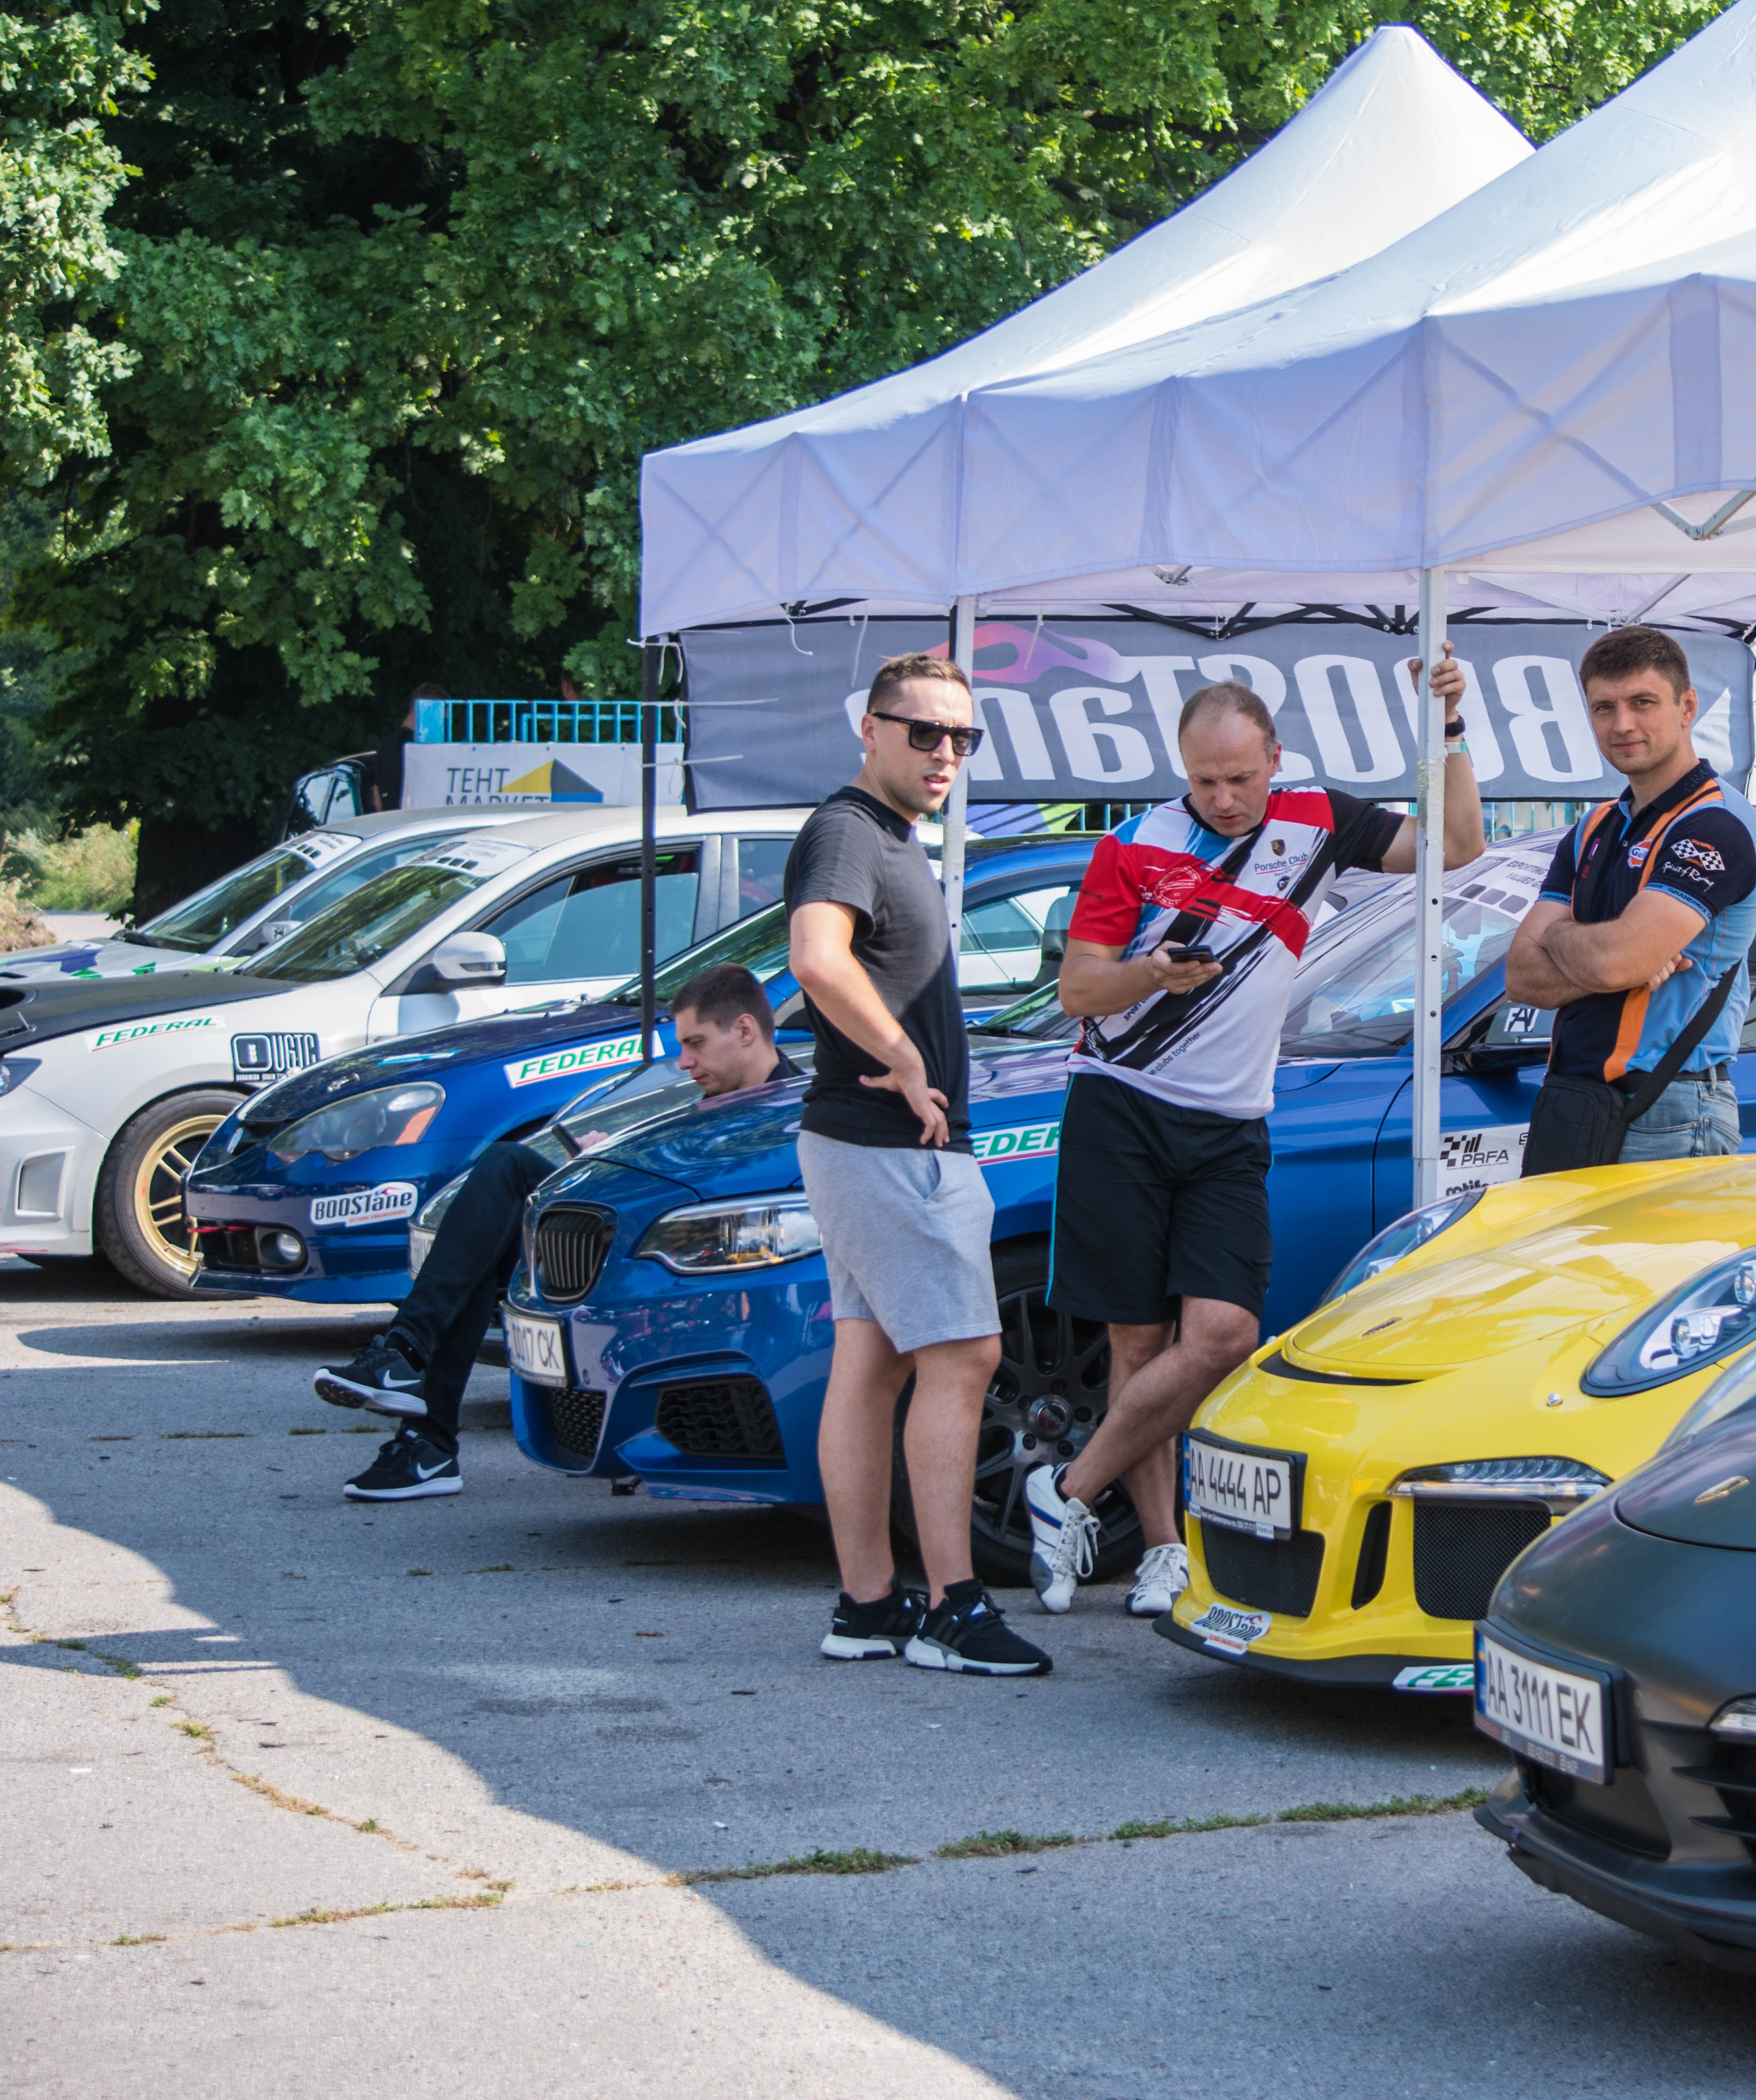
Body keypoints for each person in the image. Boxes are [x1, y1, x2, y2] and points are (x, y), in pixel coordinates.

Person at [1022, 650, 1479, 1617]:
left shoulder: (1319, 819)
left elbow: (1457, 845)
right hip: (1122, 1103)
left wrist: (1447, 725)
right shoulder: (1133, 847)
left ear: (1276, 758)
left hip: (1232, 1121)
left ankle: (1066, 1489)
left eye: (1241, 777)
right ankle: (1161, 1552)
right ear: (1182, 772)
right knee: (1137, 1341)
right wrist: (1151, 973)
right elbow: (1079, 989)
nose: (1225, 800)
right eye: (1205, 782)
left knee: (1224, 1333)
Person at [784, 650, 1052, 1675]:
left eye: (962, 738)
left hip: (870, 1144)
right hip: (888, 1143)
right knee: (964, 1357)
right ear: (872, 729)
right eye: (924, 732)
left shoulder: (886, 835)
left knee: (874, 1364)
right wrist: (900, 1054)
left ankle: (866, 1604)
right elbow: (817, 956)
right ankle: (952, 1608)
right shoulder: (849, 830)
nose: (945, 753)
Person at [315, 964, 793, 1501]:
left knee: (487, 1225)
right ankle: (409, 1373)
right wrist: (596, 1165)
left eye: (696, 1044)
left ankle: (421, 1418)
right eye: (682, 1046)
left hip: (661, 1261)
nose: (684, 1062)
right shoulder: (700, 1103)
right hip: (604, 1240)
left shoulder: (787, 1119)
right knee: (502, 1177)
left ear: (745, 1031)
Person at [1503, 626, 1756, 1168]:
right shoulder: (1594, 827)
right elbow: (1522, 977)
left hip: (1668, 1105)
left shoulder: (1714, 825)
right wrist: (1617, 960)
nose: (1622, 724)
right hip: (1577, 1100)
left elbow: (1616, 961)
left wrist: (1569, 941)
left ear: (1687, 707)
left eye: (1642, 703)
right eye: (1605, 707)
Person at [369, 681, 444, 812]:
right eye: (441, 716)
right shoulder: (419, 748)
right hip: (417, 819)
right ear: (429, 710)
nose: (442, 723)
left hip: (393, 821)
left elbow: (377, 798)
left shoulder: (387, 744)